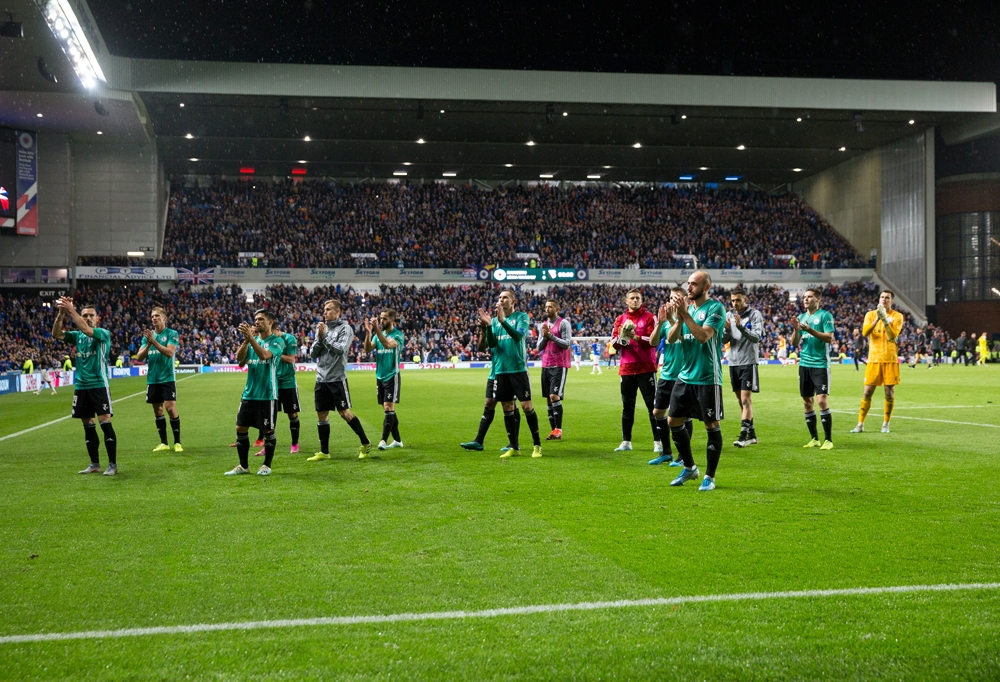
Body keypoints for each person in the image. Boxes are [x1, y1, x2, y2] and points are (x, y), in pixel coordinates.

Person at [664, 271, 726, 491]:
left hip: (708, 377)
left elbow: (702, 336)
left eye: (694, 284)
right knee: (673, 421)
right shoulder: (688, 309)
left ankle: (709, 476)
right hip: (685, 376)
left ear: (706, 286)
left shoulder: (716, 309)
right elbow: (671, 339)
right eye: (688, 284)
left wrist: (685, 315)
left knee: (711, 425)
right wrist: (679, 318)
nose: (688, 288)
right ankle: (690, 468)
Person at [52, 297, 119, 476]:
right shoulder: (77, 336)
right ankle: (95, 463)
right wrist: (61, 313)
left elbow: (87, 330)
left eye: (91, 315)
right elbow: (56, 334)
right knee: (88, 424)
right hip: (81, 386)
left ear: (98, 318)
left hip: (99, 384)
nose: (88, 318)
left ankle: (112, 464)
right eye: (85, 315)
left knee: (105, 423)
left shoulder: (102, 333)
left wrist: (71, 310)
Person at [481, 289, 542, 458]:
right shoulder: (494, 321)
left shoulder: (522, 317)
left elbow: (518, 337)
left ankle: (537, 445)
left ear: (513, 301)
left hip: (518, 369)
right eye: (499, 297)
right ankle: (514, 447)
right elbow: (492, 344)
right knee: (507, 407)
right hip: (501, 370)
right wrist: (488, 326)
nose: (501, 300)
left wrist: (503, 321)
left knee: (526, 406)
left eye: (505, 297)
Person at [307, 299, 371, 461]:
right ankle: (324, 451)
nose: (325, 312)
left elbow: (340, 350)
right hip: (321, 378)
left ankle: (365, 442)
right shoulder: (322, 328)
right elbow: (313, 353)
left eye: (328, 309)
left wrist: (324, 337)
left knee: (344, 413)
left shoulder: (346, 329)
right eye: (324, 309)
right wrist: (320, 337)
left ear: (337, 312)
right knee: (322, 414)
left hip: (337, 379)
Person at [226, 308, 284, 476]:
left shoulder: (277, 342)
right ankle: (243, 466)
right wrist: (246, 341)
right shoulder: (252, 342)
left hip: (267, 394)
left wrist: (251, 339)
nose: (257, 322)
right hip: (249, 394)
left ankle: (266, 465)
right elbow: (240, 361)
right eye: (255, 319)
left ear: (270, 322)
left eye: (260, 319)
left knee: (268, 431)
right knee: (240, 428)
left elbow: (265, 355)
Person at [610, 289, 659, 454]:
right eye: (632, 298)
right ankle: (626, 441)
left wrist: (635, 337)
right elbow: (615, 345)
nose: (635, 300)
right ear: (626, 301)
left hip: (646, 368)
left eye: (638, 298)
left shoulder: (650, 317)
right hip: (627, 369)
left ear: (642, 300)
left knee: (653, 407)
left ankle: (658, 442)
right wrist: (623, 336)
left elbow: (653, 341)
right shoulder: (620, 319)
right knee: (627, 407)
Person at [850, 290, 904, 434]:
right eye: (882, 297)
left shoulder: (897, 316)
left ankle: (885, 424)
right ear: (879, 299)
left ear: (891, 301)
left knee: (889, 393)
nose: (884, 299)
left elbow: (893, 336)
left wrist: (886, 321)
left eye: (887, 298)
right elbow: (865, 332)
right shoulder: (870, 315)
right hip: (874, 359)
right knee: (867, 393)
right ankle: (860, 424)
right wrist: (877, 319)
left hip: (890, 359)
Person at [647, 286, 689, 466]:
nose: (673, 301)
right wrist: (659, 323)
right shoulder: (665, 322)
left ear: (685, 300)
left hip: (684, 374)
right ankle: (666, 452)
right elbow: (653, 342)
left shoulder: (689, 319)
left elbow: (678, 337)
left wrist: (672, 320)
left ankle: (682, 456)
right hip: (667, 373)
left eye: (678, 297)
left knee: (683, 415)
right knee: (657, 412)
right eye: (671, 297)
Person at [792, 288, 836, 449]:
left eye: (809, 297)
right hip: (804, 364)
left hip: (820, 365)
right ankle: (814, 438)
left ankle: (828, 440)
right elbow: (795, 343)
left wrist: (809, 329)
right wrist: (796, 330)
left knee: (821, 400)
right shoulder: (801, 317)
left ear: (818, 299)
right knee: (807, 401)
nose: (805, 299)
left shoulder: (825, 316)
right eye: (804, 297)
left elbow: (830, 338)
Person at [135, 306, 182, 452]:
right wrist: (148, 343)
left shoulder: (172, 333)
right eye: (152, 316)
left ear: (164, 318)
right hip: (152, 379)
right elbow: (139, 357)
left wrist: (153, 341)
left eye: (157, 316)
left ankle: (177, 442)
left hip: (167, 378)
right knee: (157, 410)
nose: (154, 318)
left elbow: (169, 352)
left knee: (170, 408)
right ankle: (164, 443)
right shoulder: (147, 337)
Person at [722, 287, 763, 448]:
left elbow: (757, 337)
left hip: (748, 361)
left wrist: (740, 327)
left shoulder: (754, 315)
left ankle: (743, 435)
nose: (735, 303)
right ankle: (752, 434)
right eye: (732, 300)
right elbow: (724, 340)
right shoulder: (729, 315)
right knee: (740, 401)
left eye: (738, 300)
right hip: (733, 362)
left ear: (745, 299)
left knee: (746, 400)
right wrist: (726, 329)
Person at [363, 309, 405, 451]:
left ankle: (383, 440)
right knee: (388, 410)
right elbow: (367, 349)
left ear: (392, 319)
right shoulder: (376, 336)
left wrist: (376, 330)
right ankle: (398, 440)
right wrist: (369, 333)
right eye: (381, 318)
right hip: (379, 376)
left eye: (385, 319)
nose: (382, 321)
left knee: (388, 408)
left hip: (392, 375)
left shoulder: (398, 335)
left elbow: (387, 344)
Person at [459, 321, 499, 451]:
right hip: (494, 372)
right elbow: (481, 348)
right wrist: (483, 331)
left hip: (509, 371)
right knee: (489, 403)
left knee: (510, 405)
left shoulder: (510, 323)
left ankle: (514, 444)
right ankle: (479, 441)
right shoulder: (493, 324)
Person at [536, 299, 572, 441]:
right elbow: (539, 347)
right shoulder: (543, 325)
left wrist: (551, 336)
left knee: (554, 396)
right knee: (548, 400)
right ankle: (553, 430)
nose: (547, 309)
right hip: (546, 365)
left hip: (559, 365)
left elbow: (566, 344)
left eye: (550, 307)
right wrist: (545, 337)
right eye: (546, 307)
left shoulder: (563, 323)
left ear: (557, 309)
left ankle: (558, 430)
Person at [267, 319, 301, 455]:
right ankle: (267, 444)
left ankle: (294, 444)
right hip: (273, 382)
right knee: (270, 414)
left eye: (273, 333)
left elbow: (291, 359)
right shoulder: (269, 341)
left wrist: (274, 352)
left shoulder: (289, 339)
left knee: (292, 414)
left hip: (287, 382)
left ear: (277, 329)